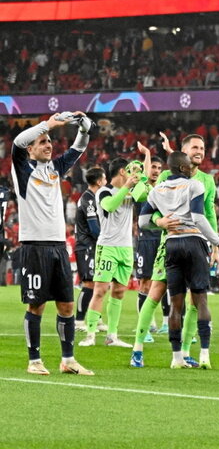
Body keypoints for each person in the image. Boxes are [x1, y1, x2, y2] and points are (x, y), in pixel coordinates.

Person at [11, 111, 94, 375]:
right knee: (36, 305)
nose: (48, 145)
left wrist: (83, 126)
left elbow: (78, 148)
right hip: (34, 246)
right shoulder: (22, 169)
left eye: (49, 141)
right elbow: (17, 142)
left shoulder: (54, 169)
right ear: (31, 149)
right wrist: (47, 124)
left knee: (67, 305)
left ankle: (68, 360)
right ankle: (34, 360)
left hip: (59, 246)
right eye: (43, 142)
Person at [139, 152, 219, 368]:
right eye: (189, 164)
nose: (192, 167)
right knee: (200, 300)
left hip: (172, 244)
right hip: (194, 242)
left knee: (176, 303)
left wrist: (162, 224)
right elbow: (199, 218)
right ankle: (204, 355)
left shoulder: (157, 190)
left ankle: (176, 359)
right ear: (182, 168)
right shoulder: (194, 185)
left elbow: (143, 221)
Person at [79, 158, 139, 348]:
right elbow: (110, 206)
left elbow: (146, 191)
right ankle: (90, 334)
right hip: (108, 247)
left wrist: (144, 163)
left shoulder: (130, 190)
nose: (130, 174)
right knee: (100, 290)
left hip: (126, 248)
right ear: (122, 171)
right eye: (128, 170)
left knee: (120, 292)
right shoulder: (104, 191)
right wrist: (127, 187)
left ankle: (112, 336)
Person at [132, 149, 165, 339]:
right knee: (144, 282)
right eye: (153, 166)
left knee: (158, 282)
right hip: (145, 239)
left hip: (160, 238)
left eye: (159, 168)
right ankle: (144, 327)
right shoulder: (141, 188)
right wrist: (147, 155)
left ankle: (155, 321)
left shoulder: (163, 188)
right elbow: (143, 176)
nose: (156, 170)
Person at [74, 166, 107, 331]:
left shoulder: (94, 198)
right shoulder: (88, 200)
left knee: (98, 283)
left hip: (93, 246)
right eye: (105, 179)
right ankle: (79, 321)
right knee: (88, 283)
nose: (107, 182)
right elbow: (94, 228)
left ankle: (97, 319)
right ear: (99, 181)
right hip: (86, 246)